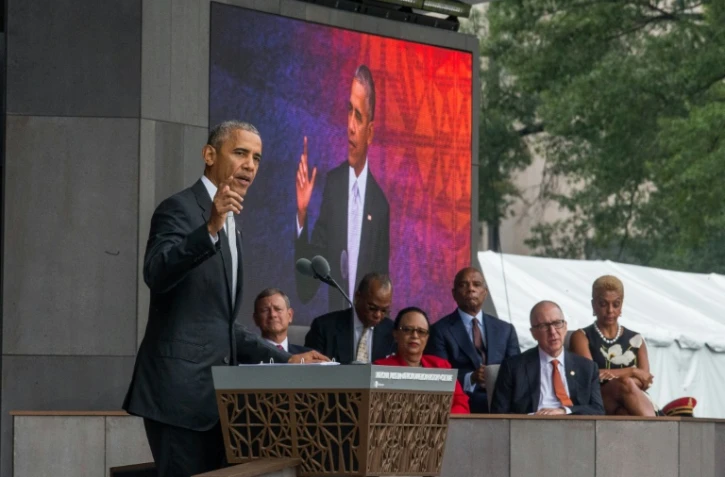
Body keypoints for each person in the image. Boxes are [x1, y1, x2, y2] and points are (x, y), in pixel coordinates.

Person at [123, 121, 328, 477]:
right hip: (177, 396)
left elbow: (222, 326)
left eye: (257, 157)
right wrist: (210, 228)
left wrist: (287, 360)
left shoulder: (234, 223)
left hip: (220, 405)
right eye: (240, 153)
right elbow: (155, 272)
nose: (250, 164)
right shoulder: (180, 209)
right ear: (209, 155)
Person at [295, 64, 390, 311]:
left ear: (370, 132)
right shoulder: (334, 186)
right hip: (335, 328)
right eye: (349, 111)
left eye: (358, 116)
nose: (349, 125)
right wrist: (302, 214)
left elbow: (383, 286)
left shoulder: (380, 206)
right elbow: (307, 287)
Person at [426, 267, 520, 413]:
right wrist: (471, 378)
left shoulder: (506, 330)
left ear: (485, 292)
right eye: (464, 285)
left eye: (476, 284)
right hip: (463, 404)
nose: (471, 289)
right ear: (454, 294)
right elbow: (439, 377)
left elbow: (517, 372)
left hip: (503, 405)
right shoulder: (439, 330)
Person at [491, 301, 604, 415]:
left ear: (565, 327)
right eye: (544, 326)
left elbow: (598, 410)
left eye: (557, 323)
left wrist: (564, 411)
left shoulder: (587, 368)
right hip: (531, 427)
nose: (553, 332)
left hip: (573, 427)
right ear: (533, 333)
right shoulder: (513, 367)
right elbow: (498, 415)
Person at [569, 275, 657, 416]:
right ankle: (658, 429)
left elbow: (646, 380)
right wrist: (632, 372)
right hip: (598, 401)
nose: (610, 310)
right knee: (625, 384)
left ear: (621, 305)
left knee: (624, 411)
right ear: (593, 305)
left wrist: (611, 376)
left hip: (630, 403)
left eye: (616, 304)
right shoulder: (581, 337)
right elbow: (590, 376)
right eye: (603, 304)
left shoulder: (636, 339)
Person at [375, 307, 470, 414]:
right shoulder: (380, 368)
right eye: (407, 330)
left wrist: (441, 420)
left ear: (427, 338)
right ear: (395, 334)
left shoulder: (441, 366)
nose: (415, 336)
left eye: (421, 331)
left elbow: (461, 403)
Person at [304, 272, 395, 363]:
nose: (378, 315)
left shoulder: (393, 332)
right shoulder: (324, 327)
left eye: (384, 310)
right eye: (372, 308)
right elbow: (310, 368)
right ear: (357, 296)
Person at [253, 287, 310, 354]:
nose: (272, 315)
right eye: (265, 310)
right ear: (256, 319)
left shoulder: (308, 358)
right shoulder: (242, 358)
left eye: (278, 309)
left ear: (290, 315)